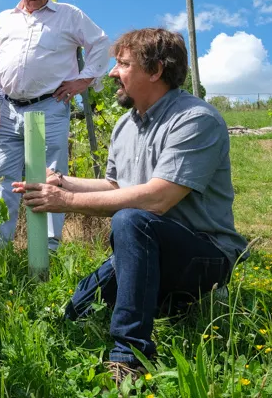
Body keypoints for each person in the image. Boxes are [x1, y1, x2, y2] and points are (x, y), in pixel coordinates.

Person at [13, 28, 248, 384]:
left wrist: (68, 202)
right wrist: (60, 182)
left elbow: (157, 199)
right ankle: (172, 304)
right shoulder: (125, 124)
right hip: (146, 242)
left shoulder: (195, 120)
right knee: (77, 311)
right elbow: (115, 185)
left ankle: (129, 357)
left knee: (131, 220)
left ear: (154, 71)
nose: (111, 73)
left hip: (204, 255)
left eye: (122, 64)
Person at [0, 0, 109, 251]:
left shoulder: (68, 16)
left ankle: (47, 247)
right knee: (4, 178)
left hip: (47, 108)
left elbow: (100, 42)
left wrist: (84, 80)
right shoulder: (3, 19)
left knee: (49, 177)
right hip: (9, 110)